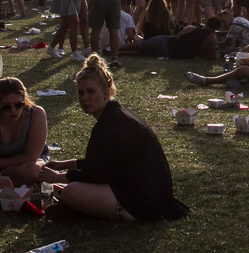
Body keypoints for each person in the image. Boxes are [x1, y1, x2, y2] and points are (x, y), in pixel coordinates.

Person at [39, 55, 188, 221]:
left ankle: (111, 213)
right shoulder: (114, 114)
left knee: (71, 191)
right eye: (81, 93)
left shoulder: (109, 124)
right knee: (71, 188)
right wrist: (65, 164)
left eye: (90, 91)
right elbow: (102, 163)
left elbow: (95, 174)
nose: (84, 98)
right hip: (150, 194)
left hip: (144, 201)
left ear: (105, 93)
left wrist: (56, 177)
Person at [119, 16, 220, 59]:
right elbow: (211, 57)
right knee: (143, 52)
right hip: (170, 53)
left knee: (141, 45)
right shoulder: (211, 38)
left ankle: (116, 50)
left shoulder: (191, 28)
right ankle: (119, 53)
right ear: (215, 29)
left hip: (167, 42)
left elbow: (179, 38)